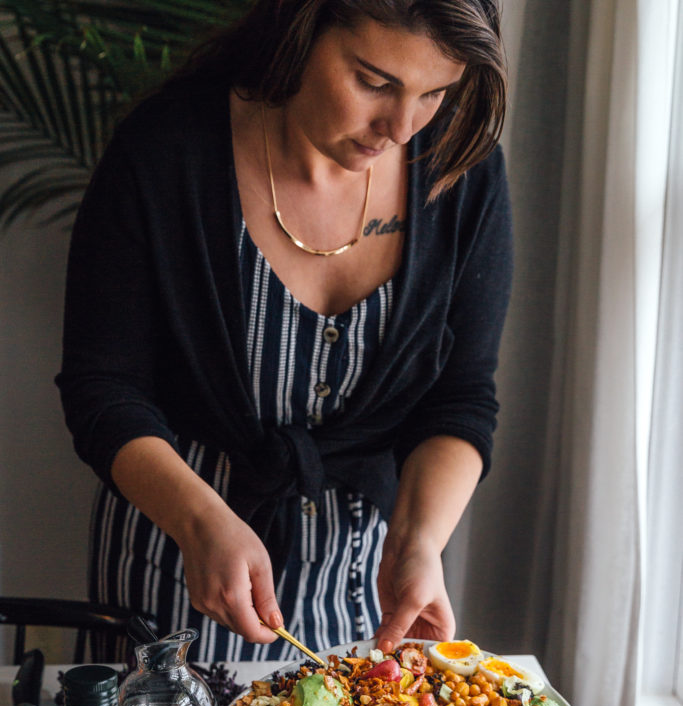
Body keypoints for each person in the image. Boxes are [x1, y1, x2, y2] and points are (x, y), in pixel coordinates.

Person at [57, 0, 512, 663]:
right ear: (301, 30)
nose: (400, 127)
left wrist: (418, 543)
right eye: (373, 81)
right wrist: (198, 520)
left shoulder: (461, 173)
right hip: (174, 561)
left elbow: (461, 397)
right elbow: (103, 388)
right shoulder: (166, 152)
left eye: (434, 93)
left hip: (364, 585)